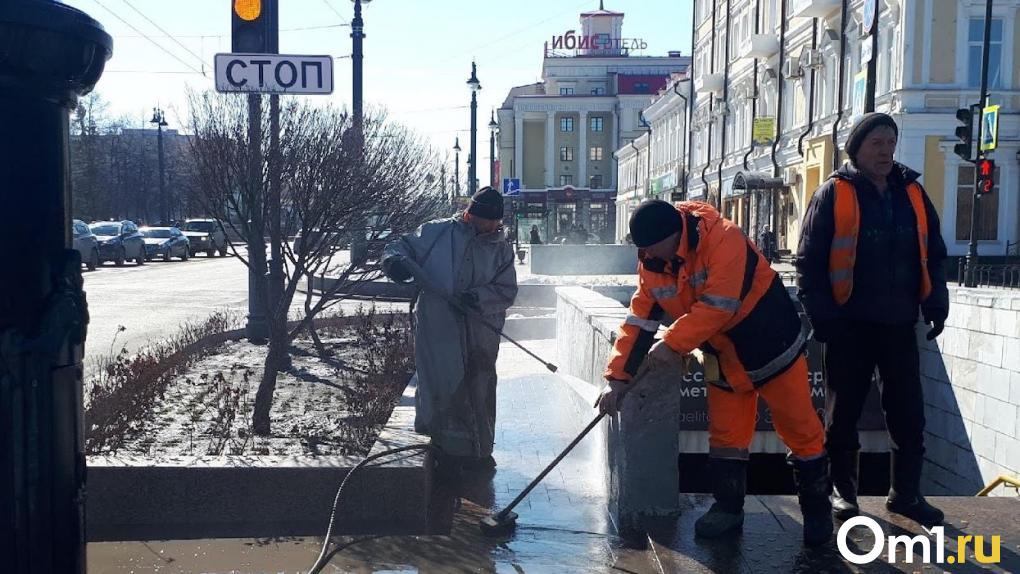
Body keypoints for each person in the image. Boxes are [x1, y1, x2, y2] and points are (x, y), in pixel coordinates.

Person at [597, 199, 832, 546]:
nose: (646, 256)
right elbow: (640, 320)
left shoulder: (724, 238)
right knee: (726, 434)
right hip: (721, 353)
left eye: (651, 248)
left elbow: (718, 306)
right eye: (642, 250)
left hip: (770, 342)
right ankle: (728, 508)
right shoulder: (652, 261)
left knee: (800, 428)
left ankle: (817, 513)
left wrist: (672, 344)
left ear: (674, 235)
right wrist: (617, 378)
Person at [796, 112, 948, 528]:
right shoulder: (834, 193)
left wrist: (936, 302)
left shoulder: (912, 191)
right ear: (857, 149)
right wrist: (823, 317)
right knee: (842, 414)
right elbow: (808, 261)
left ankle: (906, 495)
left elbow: (933, 252)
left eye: (890, 141)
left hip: (900, 322)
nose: (885, 150)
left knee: (908, 412)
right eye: (876, 143)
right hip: (849, 325)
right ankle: (844, 495)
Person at [381, 186, 518, 474]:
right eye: (483, 221)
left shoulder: (501, 249)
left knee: (480, 385)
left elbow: (507, 290)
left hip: (480, 331)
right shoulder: (437, 233)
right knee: (442, 382)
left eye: (493, 223)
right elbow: (399, 246)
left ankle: (479, 450)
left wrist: (477, 298)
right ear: (470, 214)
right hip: (438, 324)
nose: (489, 228)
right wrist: (394, 262)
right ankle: (445, 447)